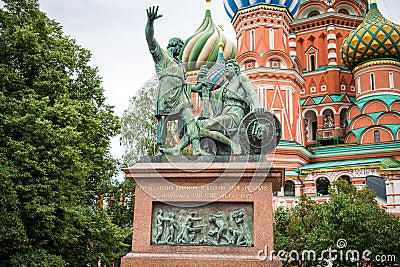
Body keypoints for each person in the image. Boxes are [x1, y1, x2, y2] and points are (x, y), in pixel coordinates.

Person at [145, 6, 202, 155]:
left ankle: (196, 148)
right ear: (174, 46)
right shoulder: (162, 57)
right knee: (162, 121)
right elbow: (150, 40)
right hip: (166, 91)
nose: (181, 50)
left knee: (190, 118)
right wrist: (150, 22)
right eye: (180, 47)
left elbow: (185, 85)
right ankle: (160, 149)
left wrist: (198, 88)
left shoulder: (181, 65)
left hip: (181, 94)